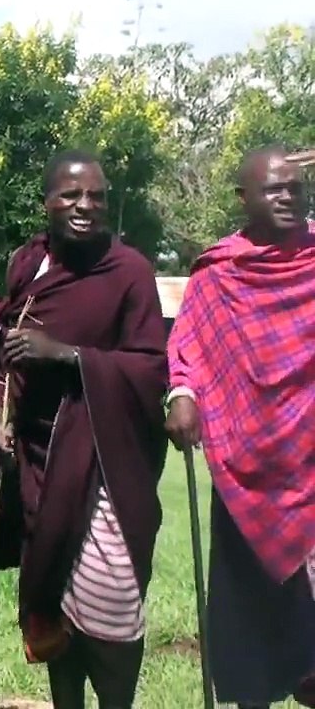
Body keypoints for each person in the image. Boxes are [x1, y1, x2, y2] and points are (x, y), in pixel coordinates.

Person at [0, 150, 168, 709]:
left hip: (102, 460)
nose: (85, 205)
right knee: (51, 596)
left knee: (112, 600)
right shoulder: (29, 264)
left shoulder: (129, 272)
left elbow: (149, 367)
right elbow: (3, 343)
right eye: (71, 194)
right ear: (46, 201)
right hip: (40, 460)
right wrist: (1, 417)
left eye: (96, 196)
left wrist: (66, 355)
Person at [166, 145, 315, 709]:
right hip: (246, 473)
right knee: (250, 615)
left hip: (312, 465)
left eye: (296, 188)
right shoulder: (219, 272)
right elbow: (189, 349)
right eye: (274, 188)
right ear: (243, 197)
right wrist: (182, 396)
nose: (288, 197)